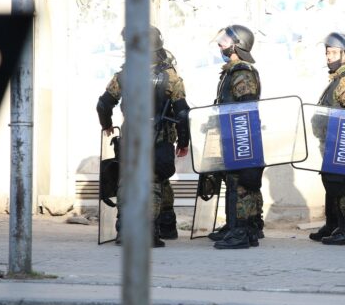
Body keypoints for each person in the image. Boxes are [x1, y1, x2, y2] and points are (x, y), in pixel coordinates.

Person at [96, 26, 190, 248]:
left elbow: (103, 104)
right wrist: (183, 142)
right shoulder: (170, 76)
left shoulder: (124, 74)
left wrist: (107, 125)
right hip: (160, 137)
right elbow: (183, 112)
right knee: (154, 181)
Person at [208, 24, 264, 250]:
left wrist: (242, 141)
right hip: (231, 136)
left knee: (240, 185)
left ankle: (240, 232)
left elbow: (245, 107)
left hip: (240, 136)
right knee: (232, 183)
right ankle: (236, 227)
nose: (220, 42)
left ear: (237, 44)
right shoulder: (232, 71)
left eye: (226, 39)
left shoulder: (241, 72)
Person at [308, 32, 345, 246]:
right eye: (327, 52)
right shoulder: (338, 79)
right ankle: (333, 224)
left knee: (341, 184)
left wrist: (341, 142)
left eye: (333, 52)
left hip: (342, 142)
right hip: (331, 141)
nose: (328, 57)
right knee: (330, 181)